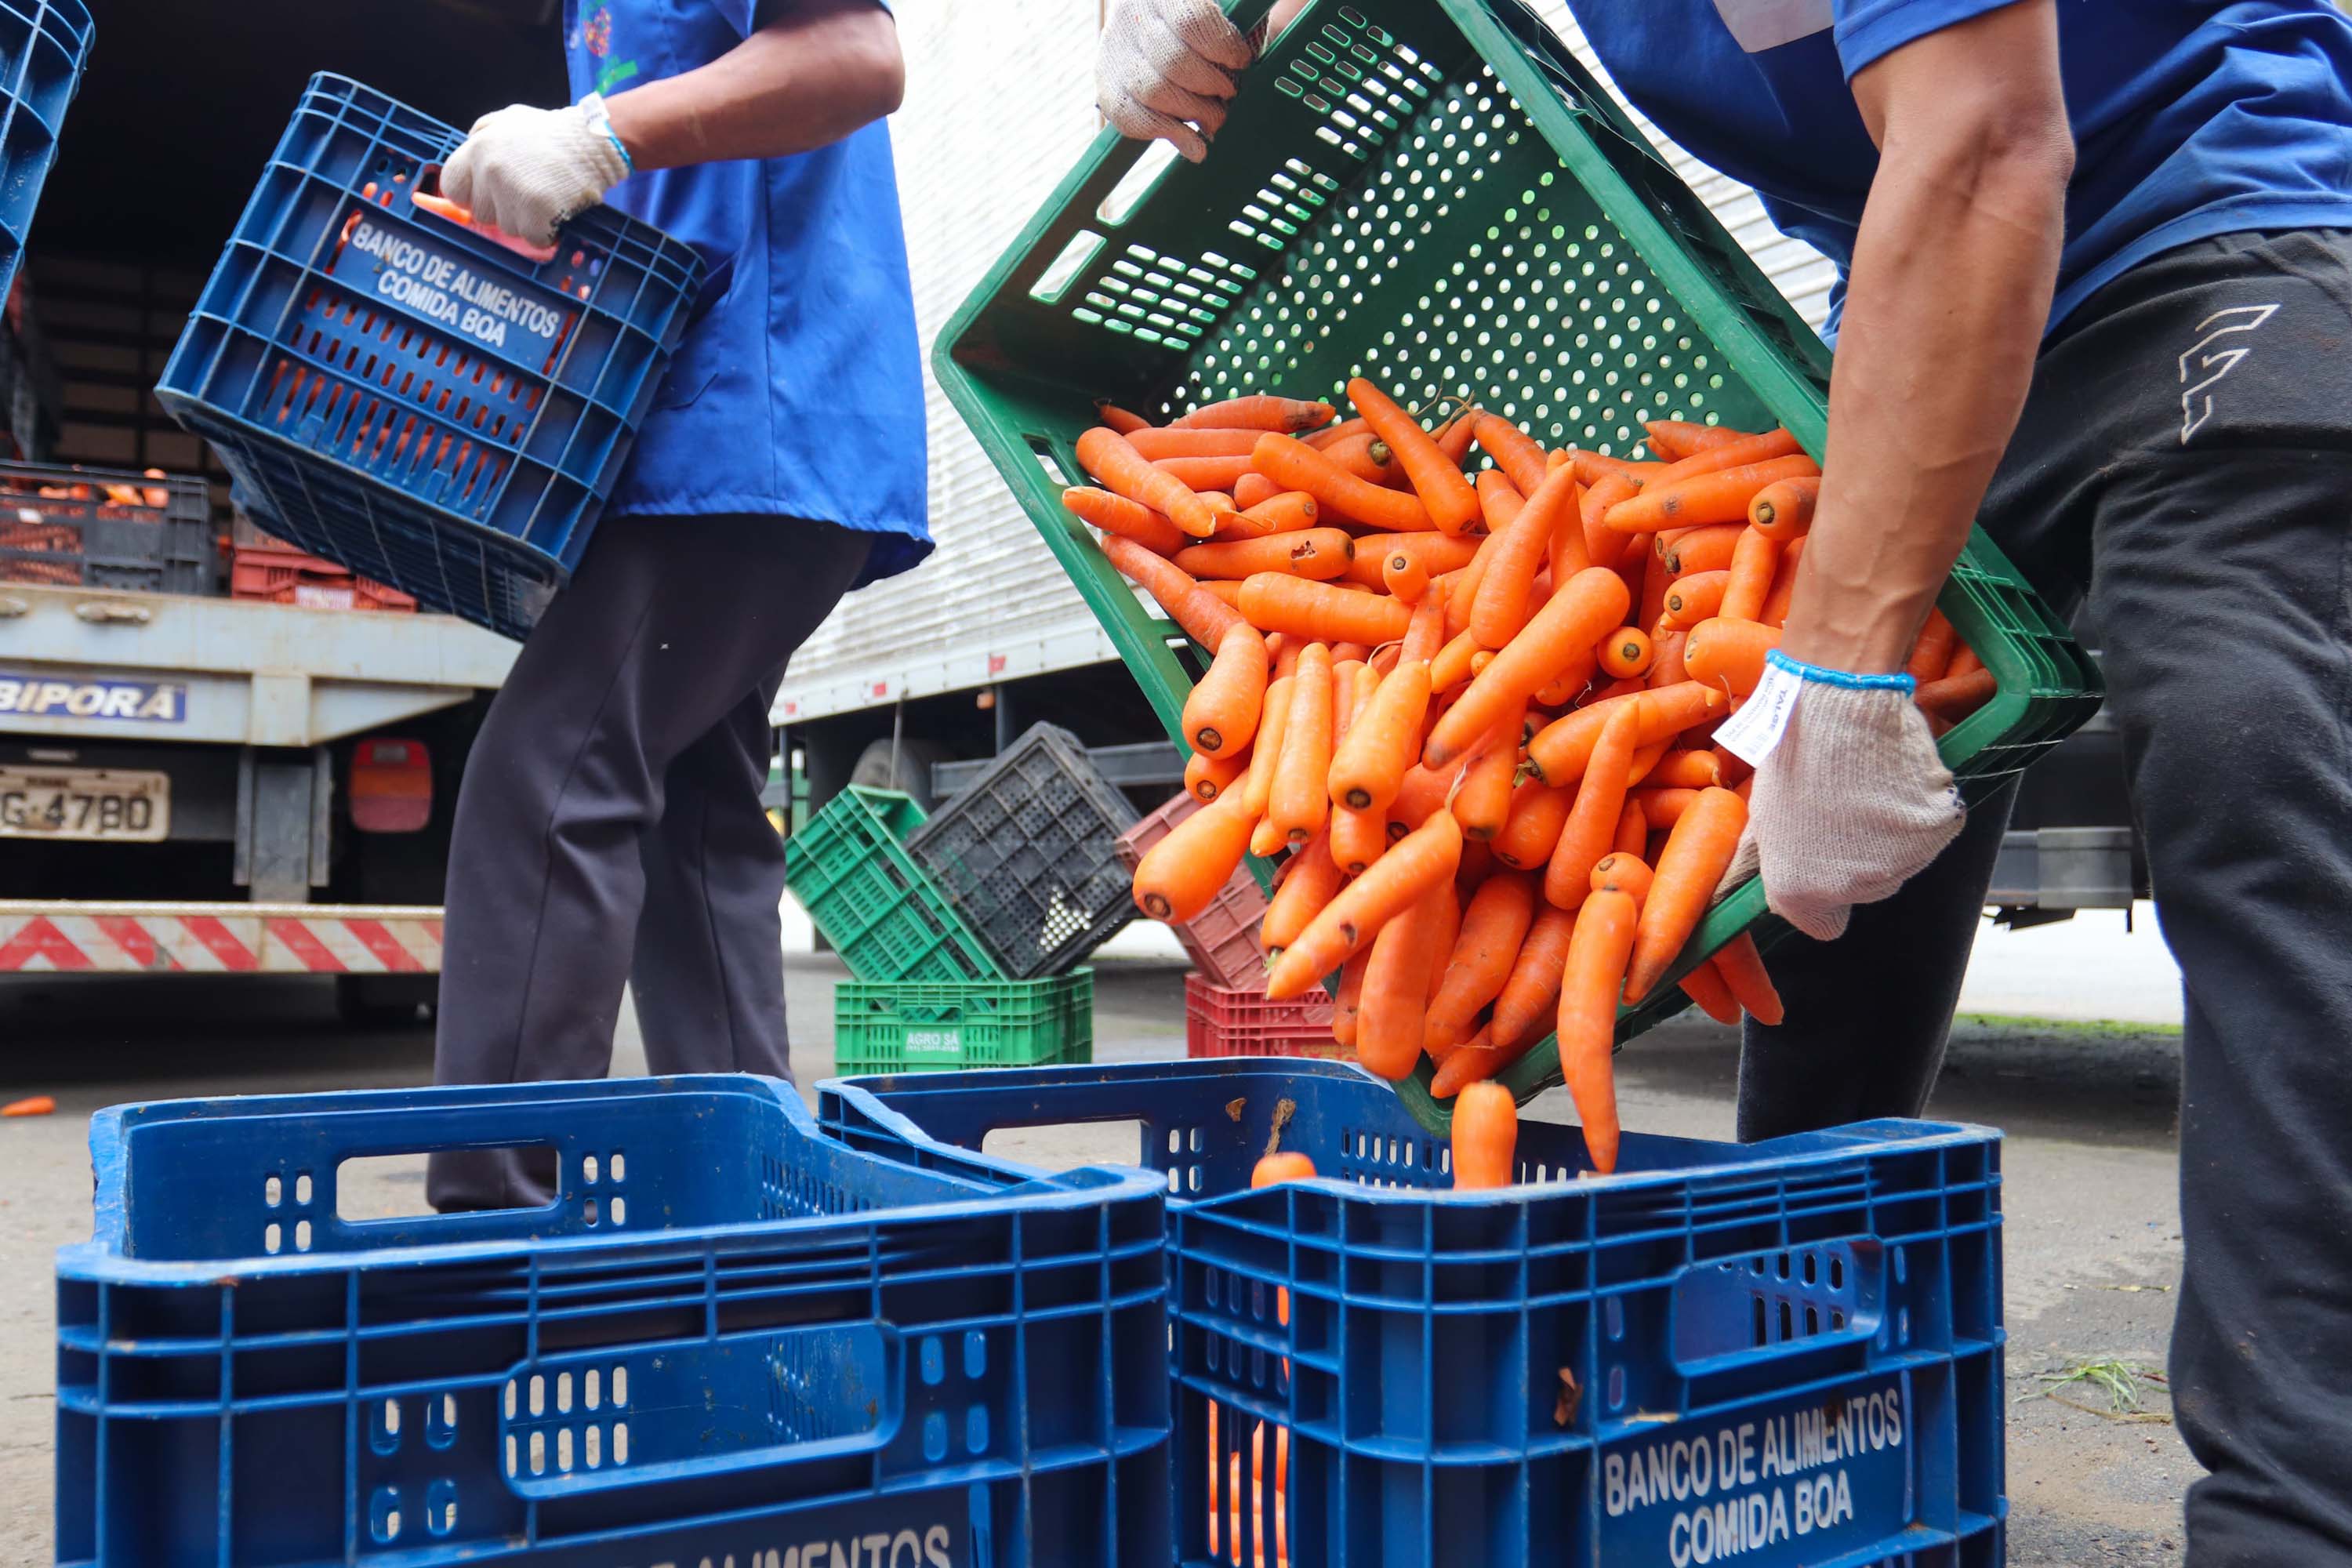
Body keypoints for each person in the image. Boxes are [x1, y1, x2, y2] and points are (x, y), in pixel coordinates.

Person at [1098, 0, 2352, 1559]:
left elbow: (1984, 134)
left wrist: (1838, 666)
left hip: (2208, 228)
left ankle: (2304, 1515)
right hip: (1913, 304)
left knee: (2256, 772)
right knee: (1821, 912)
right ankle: (1788, 1455)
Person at [426, 0, 928, 1212]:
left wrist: (595, 138)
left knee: (546, 787)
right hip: (700, 435)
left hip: (751, 416)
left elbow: (857, 57)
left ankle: (498, 1236)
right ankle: (757, 1220)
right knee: (690, 824)